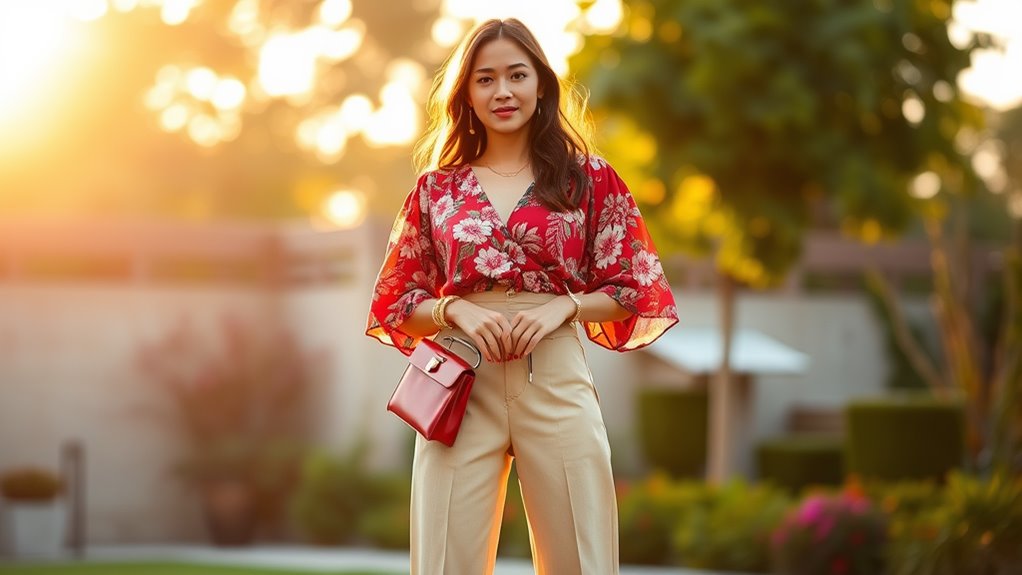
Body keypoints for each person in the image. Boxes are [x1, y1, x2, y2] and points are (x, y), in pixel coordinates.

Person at [366, 17, 678, 575]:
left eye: (516, 75)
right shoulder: (436, 188)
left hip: (554, 374)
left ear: (541, 84)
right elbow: (396, 304)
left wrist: (566, 305)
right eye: (485, 79)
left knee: (581, 558)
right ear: (467, 93)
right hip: (460, 380)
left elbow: (635, 288)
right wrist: (453, 309)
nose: (502, 91)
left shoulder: (589, 179)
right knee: (445, 562)